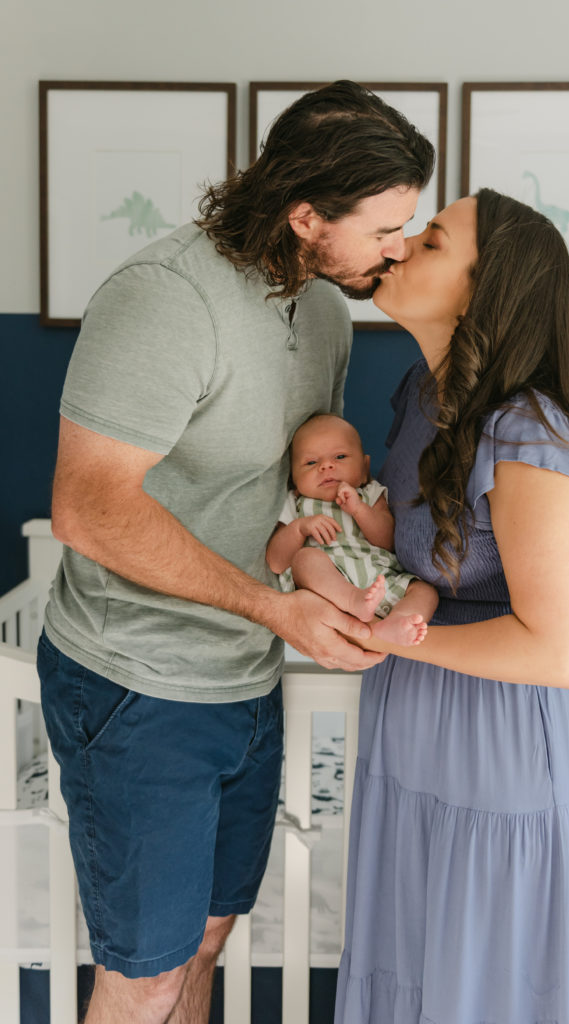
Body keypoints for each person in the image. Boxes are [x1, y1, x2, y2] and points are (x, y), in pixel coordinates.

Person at [37, 81, 434, 1024]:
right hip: (140, 682)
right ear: (306, 216)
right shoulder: (164, 299)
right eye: (384, 228)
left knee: (212, 938)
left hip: (245, 678)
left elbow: (296, 487)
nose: (400, 248)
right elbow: (87, 512)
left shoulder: (326, 311)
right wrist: (272, 609)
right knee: (145, 975)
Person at [334, 189, 569, 1023]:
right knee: (414, 968)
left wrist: (395, 638)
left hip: (501, 740)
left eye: (431, 241)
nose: (399, 248)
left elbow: (557, 652)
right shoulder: (422, 396)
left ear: (483, 293)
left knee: (494, 989)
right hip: (414, 727)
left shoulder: (527, 434)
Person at [266, 413, 438, 646]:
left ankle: (397, 622)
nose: (326, 466)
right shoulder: (295, 504)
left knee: (426, 592)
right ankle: (354, 600)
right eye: (311, 462)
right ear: (293, 478)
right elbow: (276, 562)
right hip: (329, 590)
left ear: (364, 468)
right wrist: (299, 528)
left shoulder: (369, 494)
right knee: (305, 558)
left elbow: (387, 541)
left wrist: (359, 510)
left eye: (340, 456)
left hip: (380, 578)